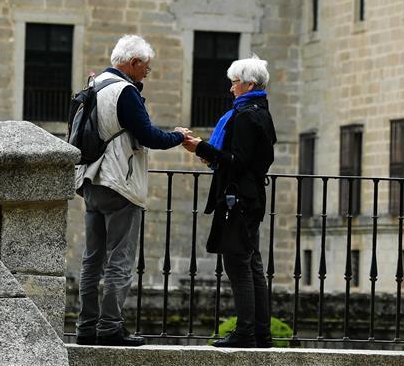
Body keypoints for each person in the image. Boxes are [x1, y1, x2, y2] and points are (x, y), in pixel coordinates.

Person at [74, 34, 192, 347]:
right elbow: (149, 135)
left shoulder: (94, 85)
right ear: (133, 63)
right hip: (119, 184)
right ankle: (110, 328)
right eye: (146, 69)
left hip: (91, 179)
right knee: (120, 260)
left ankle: (85, 327)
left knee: (92, 260)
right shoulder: (124, 91)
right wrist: (178, 136)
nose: (145, 75)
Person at [183, 54, 277, 348]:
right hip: (252, 198)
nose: (231, 88)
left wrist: (203, 148)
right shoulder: (261, 111)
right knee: (253, 264)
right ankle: (261, 332)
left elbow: (236, 161)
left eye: (235, 83)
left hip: (240, 200)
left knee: (238, 264)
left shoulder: (246, 115)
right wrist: (206, 150)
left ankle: (246, 332)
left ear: (248, 84)